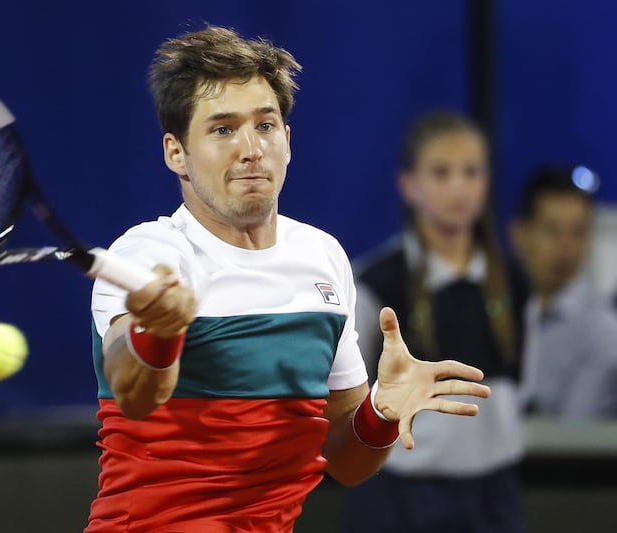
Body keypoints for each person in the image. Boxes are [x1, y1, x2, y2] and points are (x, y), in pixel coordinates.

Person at [87, 27, 490, 533]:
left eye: (266, 125)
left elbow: (346, 462)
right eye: (222, 129)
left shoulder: (322, 257)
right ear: (175, 153)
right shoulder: (150, 254)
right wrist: (158, 333)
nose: (251, 148)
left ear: (288, 140)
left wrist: (381, 414)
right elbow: (134, 392)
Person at [343, 110, 527, 533]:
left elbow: (522, 379)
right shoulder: (377, 282)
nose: (458, 187)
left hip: (494, 494)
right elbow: (347, 394)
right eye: (441, 173)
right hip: (399, 494)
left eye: (472, 172)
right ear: (409, 184)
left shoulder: (514, 281)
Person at [512, 165, 617, 418]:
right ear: (519, 235)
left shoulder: (603, 332)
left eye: (578, 232)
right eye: (552, 230)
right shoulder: (496, 315)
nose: (565, 246)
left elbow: (572, 433)